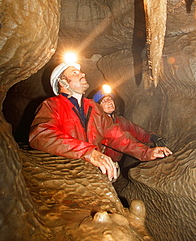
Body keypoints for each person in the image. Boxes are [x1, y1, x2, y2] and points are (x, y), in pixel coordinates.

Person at [29, 63, 172, 181]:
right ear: (62, 82)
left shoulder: (94, 109)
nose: (82, 74)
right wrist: (89, 153)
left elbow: (118, 137)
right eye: (75, 73)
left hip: (92, 175)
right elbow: (41, 135)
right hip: (64, 175)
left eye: (80, 71)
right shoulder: (52, 105)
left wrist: (147, 152)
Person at [92, 87, 167, 162]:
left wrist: (153, 137)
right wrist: (146, 152)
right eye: (104, 101)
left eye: (110, 99)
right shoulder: (97, 124)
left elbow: (138, 132)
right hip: (98, 163)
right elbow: (122, 140)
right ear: (98, 107)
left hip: (114, 164)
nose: (109, 102)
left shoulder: (120, 121)